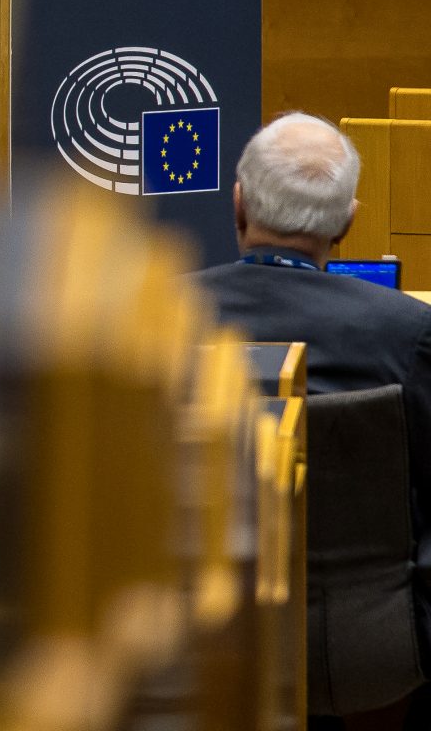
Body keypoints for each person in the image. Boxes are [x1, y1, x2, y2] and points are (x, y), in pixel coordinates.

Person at [192, 111, 431, 725]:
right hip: (370, 662)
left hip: (197, 652)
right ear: (349, 221)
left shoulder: (161, 319)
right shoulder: (410, 334)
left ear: (239, 204)